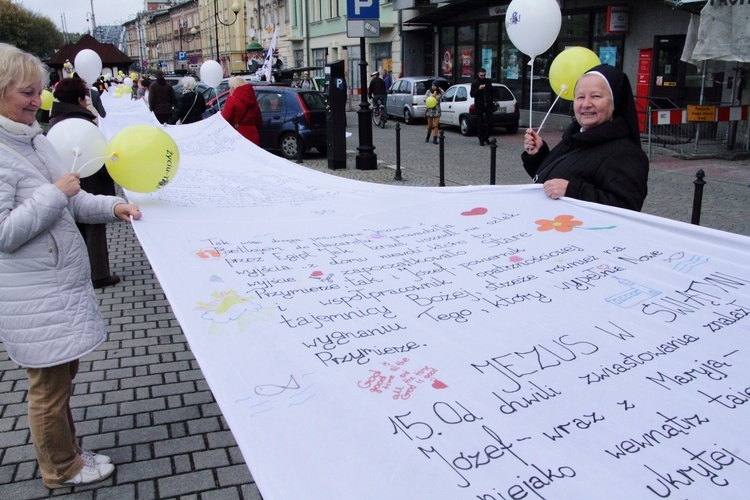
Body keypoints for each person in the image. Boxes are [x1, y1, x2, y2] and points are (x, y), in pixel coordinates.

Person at [0, 43, 141, 489]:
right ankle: (61, 469)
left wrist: (112, 207)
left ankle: (70, 453)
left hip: (55, 290)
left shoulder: (31, 138)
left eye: (38, 90)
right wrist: (54, 193)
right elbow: (5, 233)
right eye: (26, 92)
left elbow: (73, 199)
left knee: (61, 379)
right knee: (48, 389)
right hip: (33, 297)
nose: (36, 100)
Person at [521, 64, 649, 211]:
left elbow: (626, 209)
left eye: (596, 96)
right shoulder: (574, 138)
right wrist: (539, 155)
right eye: (580, 97)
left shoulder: (626, 153)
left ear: (615, 103)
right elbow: (551, 182)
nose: (586, 104)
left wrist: (572, 190)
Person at [49, 78, 121, 289]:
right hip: (90, 181)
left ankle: (80, 270)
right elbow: (99, 154)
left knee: (76, 227)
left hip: (63, 180)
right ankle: (99, 274)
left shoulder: (55, 121)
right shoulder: (83, 122)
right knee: (95, 228)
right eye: (85, 97)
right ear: (80, 99)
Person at [221, 76, 263, 145]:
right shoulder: (253, 101)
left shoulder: (232, 100)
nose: (229, 90)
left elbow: (225, 120)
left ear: (234, 88)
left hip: (238, 136)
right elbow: (259, 122)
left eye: (230, 87)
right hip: (253, 135)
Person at [470, 68, 494, 146]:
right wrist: (479, 89)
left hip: (488, 105)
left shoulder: (488, 82)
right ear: (478, 74)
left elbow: (491, 92)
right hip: (479, 105)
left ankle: (486, 137)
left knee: (490, 121)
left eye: (484, 75)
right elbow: (472, 94)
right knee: (480, 123)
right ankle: (481, 139)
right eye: (481, 75)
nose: (482, 77)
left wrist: (491, 100)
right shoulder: (475, 83)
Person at [425, 80, 444, 144]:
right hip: (430, 110)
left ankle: (435, 138)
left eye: (435, 86)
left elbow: (444, 96)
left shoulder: (440, 92)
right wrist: (431, 97)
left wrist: (441, 90)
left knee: (436, 125)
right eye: (433, 85)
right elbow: (425, 99)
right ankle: (428, 135)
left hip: (437, 110)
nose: (433, 87)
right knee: (430, 126)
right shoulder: (428, 91)